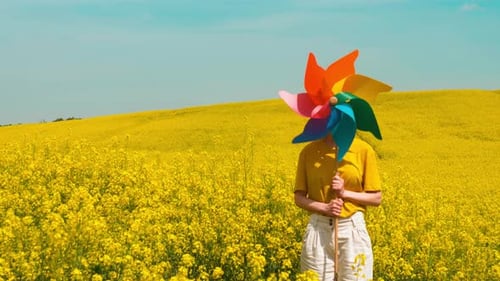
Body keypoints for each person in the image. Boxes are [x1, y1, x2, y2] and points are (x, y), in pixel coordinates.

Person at [294, 133, 382, 281]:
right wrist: (324, 208)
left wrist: (344, 193)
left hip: (352, 229)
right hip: (318, 229)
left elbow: (376, 198)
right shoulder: (308, 152)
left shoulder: (363, 150)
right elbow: (299, 197)